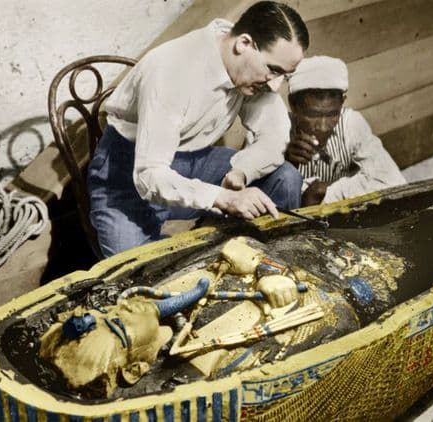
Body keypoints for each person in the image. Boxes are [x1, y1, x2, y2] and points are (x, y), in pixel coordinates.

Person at [87, 2, 309, 258]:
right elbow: (150, 176)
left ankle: (272, 264)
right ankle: (213, 250)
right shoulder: (171, 70)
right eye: (273, 70)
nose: (275, 85)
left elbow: (275, 134)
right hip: (128, 174)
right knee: (136, 268)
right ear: (244, 44)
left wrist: (243, 171)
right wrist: (223, 198)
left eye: (285, 75)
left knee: (285, 178)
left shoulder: (245, 63)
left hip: (194, 161)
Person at [284, 56, 407, 206]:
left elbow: (394, 182)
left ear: (342, 103)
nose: (323, 127)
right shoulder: (278, 129)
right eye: (312, 115)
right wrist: (286, 164)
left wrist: (326, 195)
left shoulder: (351, 123)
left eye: (332, 114)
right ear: (293, 105)